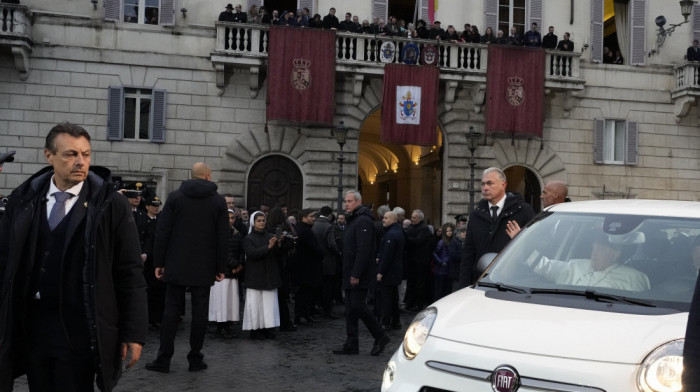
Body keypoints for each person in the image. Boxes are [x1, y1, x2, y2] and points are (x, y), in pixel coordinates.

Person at [0, 122, 147, 391]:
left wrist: (134, 332)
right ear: (49, 155)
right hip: (32, 328)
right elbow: (5, 263)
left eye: (86, 154)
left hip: (80, 329)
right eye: (71, 154)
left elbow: (129, 271)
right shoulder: (24, 199)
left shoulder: (109, 204)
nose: (81, 161)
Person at [145, 162, 229, 373]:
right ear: (208, 176)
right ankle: (195, 359)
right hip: (204, 265)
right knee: (200, 314)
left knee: (170, 312)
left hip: (175, 263)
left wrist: (159, 262)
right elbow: (223, 237)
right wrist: (221, 266)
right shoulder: (218, 202)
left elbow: (163, 232)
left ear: (191, 176)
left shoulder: (175, 198)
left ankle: (163, 359)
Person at [333, 190, 390, 356]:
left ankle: (380, 335)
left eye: (349, 201)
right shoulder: (354, 220)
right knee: (350, 308)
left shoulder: (363, 221)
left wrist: (356, 273)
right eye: (346, 201)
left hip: (359, 273)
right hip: (350, 270)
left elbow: (364, 250)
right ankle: (352, 343)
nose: (346, 204)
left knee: (358, 306)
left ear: (358, 202)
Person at [459, 167, 535, 288]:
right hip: (482, 282)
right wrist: (464, 286)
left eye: (490, 183)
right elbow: (468, 253)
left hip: (513, 285)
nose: (485, 188)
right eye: (483, 184)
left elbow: (535, 247)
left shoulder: (523, 211)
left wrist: (520, 240)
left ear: (503, 185)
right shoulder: (476, 214)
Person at [528, 232, 650, 291]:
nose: (593, 254)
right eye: (593, 249)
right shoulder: (575, 265)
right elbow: (545, 266)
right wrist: (524, 246)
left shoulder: (634, 278)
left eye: (600, 250)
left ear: (616, 254)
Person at [242, 211, 285, 339]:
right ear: (253, 223)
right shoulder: (248, 238)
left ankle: (268, 328)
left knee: (269, 304)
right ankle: (255, 330)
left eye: (263, 220)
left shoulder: (270, 235)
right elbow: (252, 254)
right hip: (255, 275)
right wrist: (269, 246)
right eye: (259, 220)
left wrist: (279, 244)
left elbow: (278, 254)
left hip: (269, 274)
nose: (261, 223)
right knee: (254, 304)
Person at [208, 209, 243, 339]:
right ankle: (220, 326)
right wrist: (236, 264)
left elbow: (240, 251)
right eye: (228, 217)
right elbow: (222, 252)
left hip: (233, 273)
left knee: (230, 301)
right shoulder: (218, 233)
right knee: (221, 301)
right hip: (222, 272)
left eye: (232, 217)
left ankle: (228, 325)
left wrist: (240, 264)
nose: (230, 220)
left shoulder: (237, 233)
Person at [292, 209, 324, 324]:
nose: (314, 218)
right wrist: (322, 252)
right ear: (304, 217)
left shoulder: (302, 229)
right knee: (305, 293)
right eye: (311, 216)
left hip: (304, 266)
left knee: (304, 292)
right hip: (307, 267)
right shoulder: (305, 231)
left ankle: (303, 315)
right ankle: (302, 315)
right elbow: (314, 248)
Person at [376, 211, 405, 330]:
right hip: (395, 271)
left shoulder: (391, 234)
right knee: (393, 297)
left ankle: (386, 322)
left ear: (393, 220)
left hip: (389, 272)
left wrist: (380, 272)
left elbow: (387, 256)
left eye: (386, 218)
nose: (383, 219)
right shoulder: (398, 232)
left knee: (387, 298)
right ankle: (395, 321)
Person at [142, 195, 165, 331]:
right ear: (147, 207)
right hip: (145, 261)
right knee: (146, 290)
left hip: (157, 260)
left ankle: (156, 318)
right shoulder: (142, 219)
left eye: (157, 206)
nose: (156, 208)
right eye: (153, 205)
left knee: (158, 291)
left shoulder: (161, 221)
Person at [313, 206, 340, 317]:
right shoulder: (329, 226)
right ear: (329, 214)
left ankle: (318, 306)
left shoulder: (314, 224)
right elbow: (332, 244)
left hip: (318, 260)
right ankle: (327, 309)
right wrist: (338, 252)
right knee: (328, 287)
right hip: (329, 260)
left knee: (319, 286)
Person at [404, 209, 433, 311]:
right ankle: (410, 302)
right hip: (411, 260)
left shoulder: (424, 229)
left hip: (420, 261)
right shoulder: (411, 227)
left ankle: (418, 304)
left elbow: (418, 242)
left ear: (420, 218)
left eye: (414, 217)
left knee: (420, 283)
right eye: (412, 217)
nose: (412, 219)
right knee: (411, 282)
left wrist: (408, 239)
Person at [432, 223, 455, 301]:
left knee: (446, 291)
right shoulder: (441, 242)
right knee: (439, 291)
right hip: (440, 270)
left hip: (447, 270)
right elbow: (434, 253)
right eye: (447, 231)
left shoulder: (452, 241)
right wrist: (441, 262)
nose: (449, 232)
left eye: (450, 231)